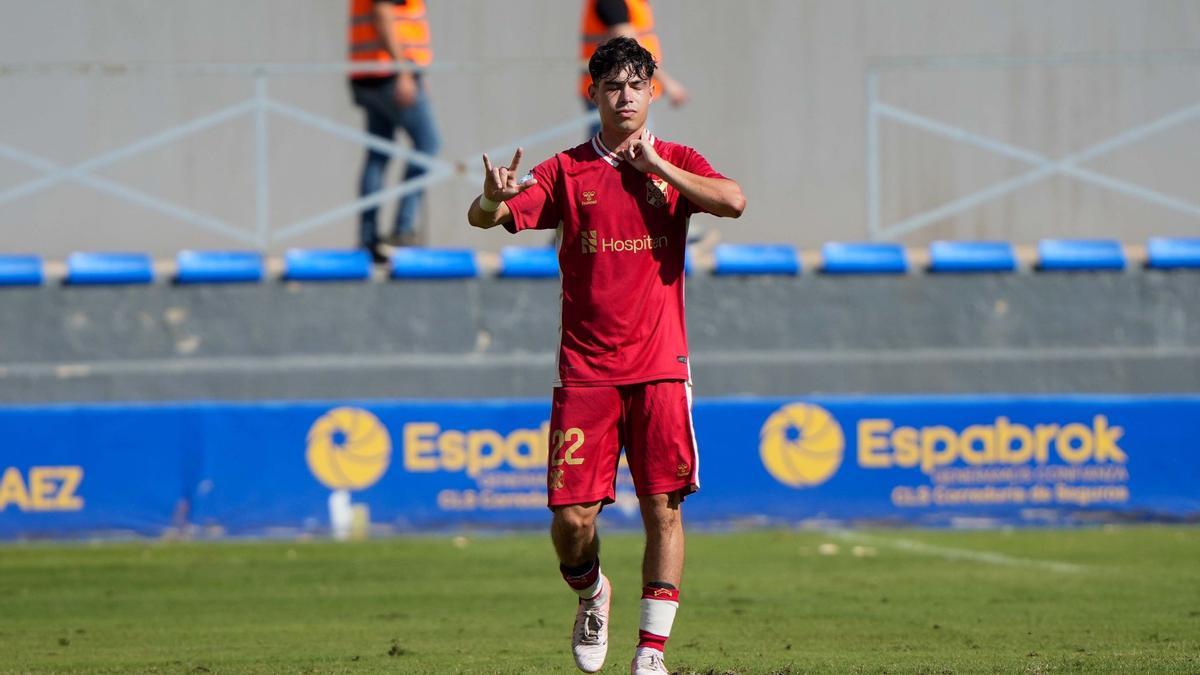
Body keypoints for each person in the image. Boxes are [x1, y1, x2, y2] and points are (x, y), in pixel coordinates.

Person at [467, 37, 744, 675]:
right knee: (570, 520)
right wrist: (491, 197)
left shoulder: (676, 160)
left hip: (660, 368)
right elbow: (486, 218)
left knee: (663, 509)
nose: (624, 96)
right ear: (594, 94)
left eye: (635, 85)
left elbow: (733, 200)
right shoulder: (567, 170)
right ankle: (592, 591)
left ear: (652, 91)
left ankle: (650, 656)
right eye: (612, 86)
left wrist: (660, 172)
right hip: (587, 373)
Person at [348, 0, 442, 261]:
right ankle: (403, 229)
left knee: (378, 154)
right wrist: (405, 71)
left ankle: (368, 238)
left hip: (369, 73)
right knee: (428, 145)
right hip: (390, 73)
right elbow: (382, 14)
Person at [580, 0, 689, 139]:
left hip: (617, 89)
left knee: (625, 150)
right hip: (614, 91)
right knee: (620, 151)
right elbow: (630, 42)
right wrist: (667, 81)